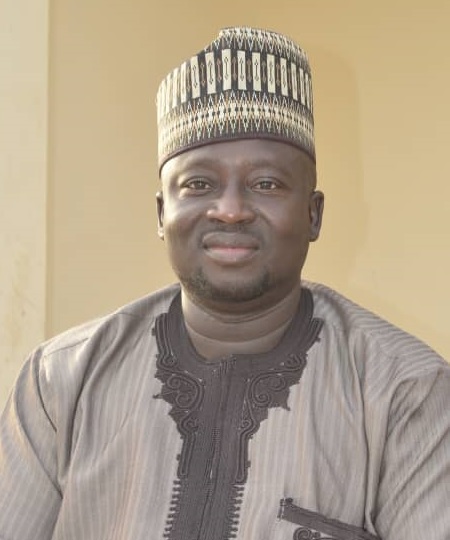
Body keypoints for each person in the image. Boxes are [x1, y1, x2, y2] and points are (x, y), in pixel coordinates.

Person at [0, 26, 449, 540]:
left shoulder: (406, 392)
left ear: (314, 214)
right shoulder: (61, 381)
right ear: (162, 213)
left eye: (266, 183)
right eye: (198, 184)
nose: (230, 210)